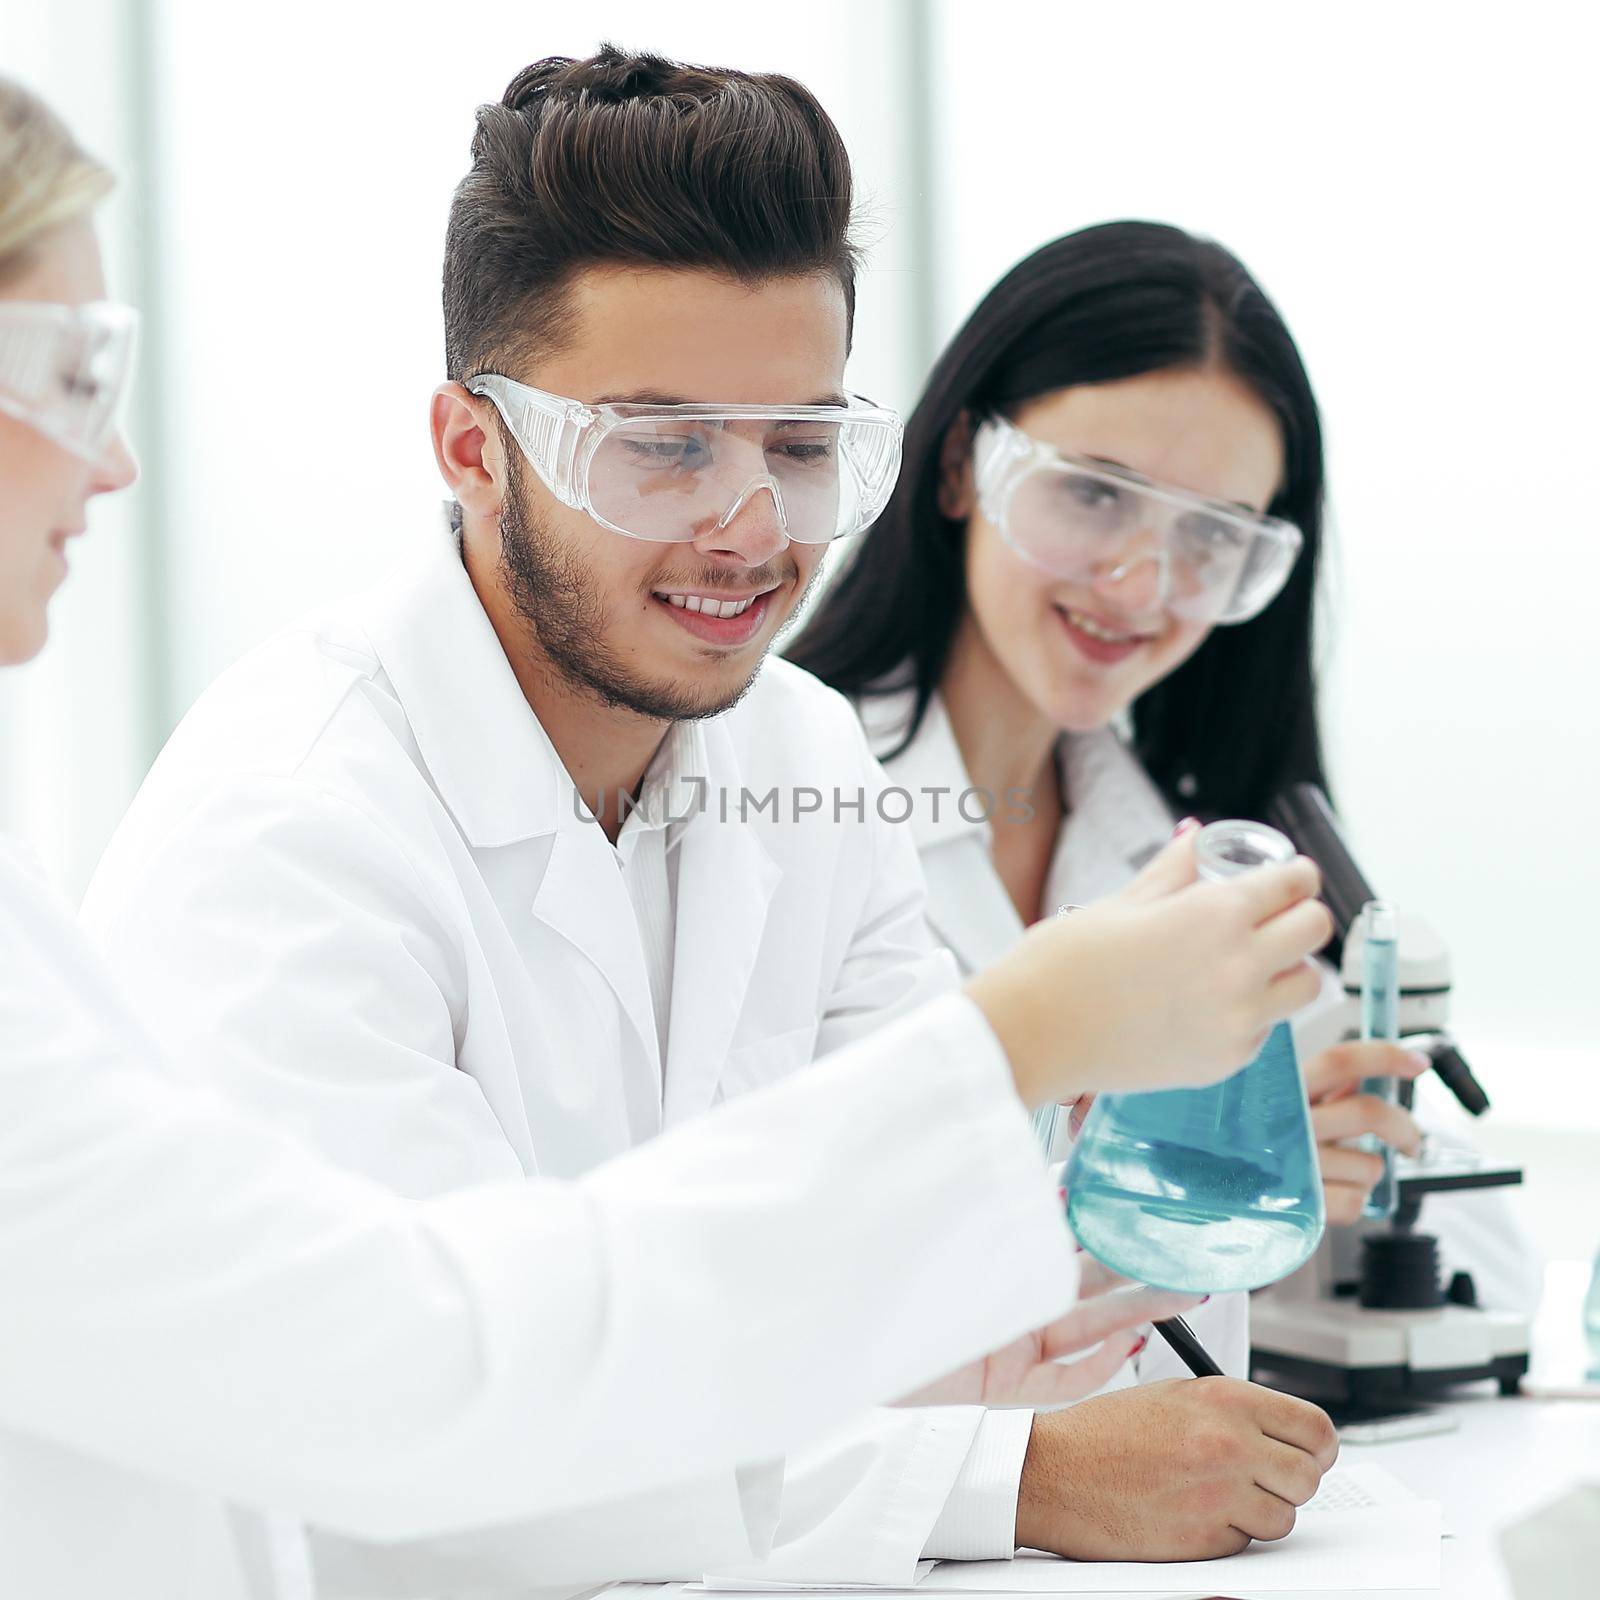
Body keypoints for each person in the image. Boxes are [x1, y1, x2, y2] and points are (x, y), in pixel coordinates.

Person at [0, 83, 1327, 1600]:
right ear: (472, 449)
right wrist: (1000, 1441)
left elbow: (944, 1308)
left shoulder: (802, 762)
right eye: (664, 449)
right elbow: (422, 1439)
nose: (752, 528)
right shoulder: (288, 836)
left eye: (800, 445)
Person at [792, 219, 1537, 1561]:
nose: (1143, 583)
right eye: (1094, 494)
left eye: (1213, 538)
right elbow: (749, 1294)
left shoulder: (1192, 845)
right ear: (962, 463)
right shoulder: (785, 795)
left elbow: (1490, 1248)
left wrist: (1312, 1184)